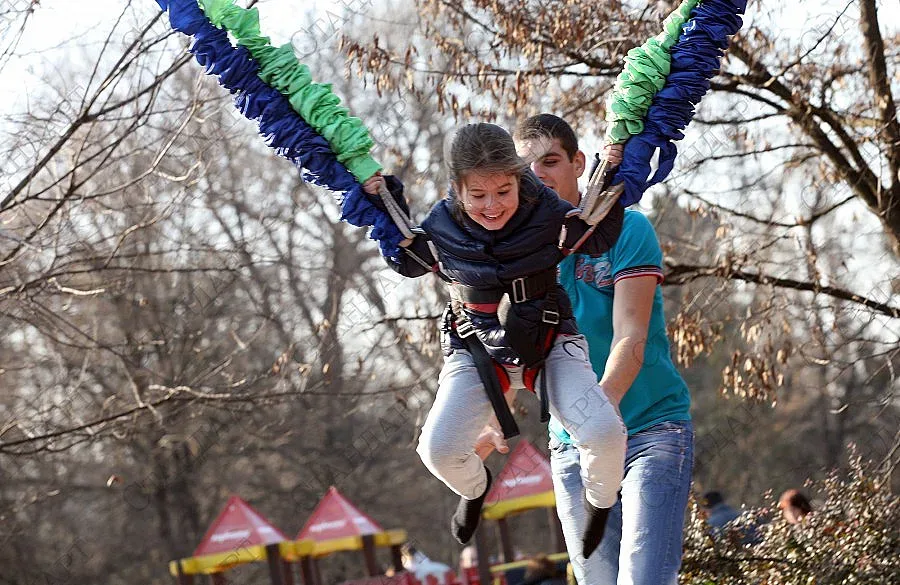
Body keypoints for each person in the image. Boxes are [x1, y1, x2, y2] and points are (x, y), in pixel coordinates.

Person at [362, 122, 627, 552]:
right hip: (477, 348)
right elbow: (407, 260)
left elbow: (597, 236)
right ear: (458, 189)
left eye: (504, 191)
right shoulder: (441, 225)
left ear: (519, 179)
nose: (492, 206)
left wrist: (611, 168)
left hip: (548, 340)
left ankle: (599, 504)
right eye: (478, 195)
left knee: (604, 433)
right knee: (438, 451)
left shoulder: (548, 211)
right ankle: (475, 488)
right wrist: (380, 197)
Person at [477, 114, 694, 584]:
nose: (539, 175)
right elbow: (511, 353)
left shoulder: (627, 230)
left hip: (651, 431)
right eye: (525, 169)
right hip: (572, 444)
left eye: (551, 161)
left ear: (578, 163)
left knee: (643, 577)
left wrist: (604, 403)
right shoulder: (515, 256)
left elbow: (631, 334)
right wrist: (493, 417)